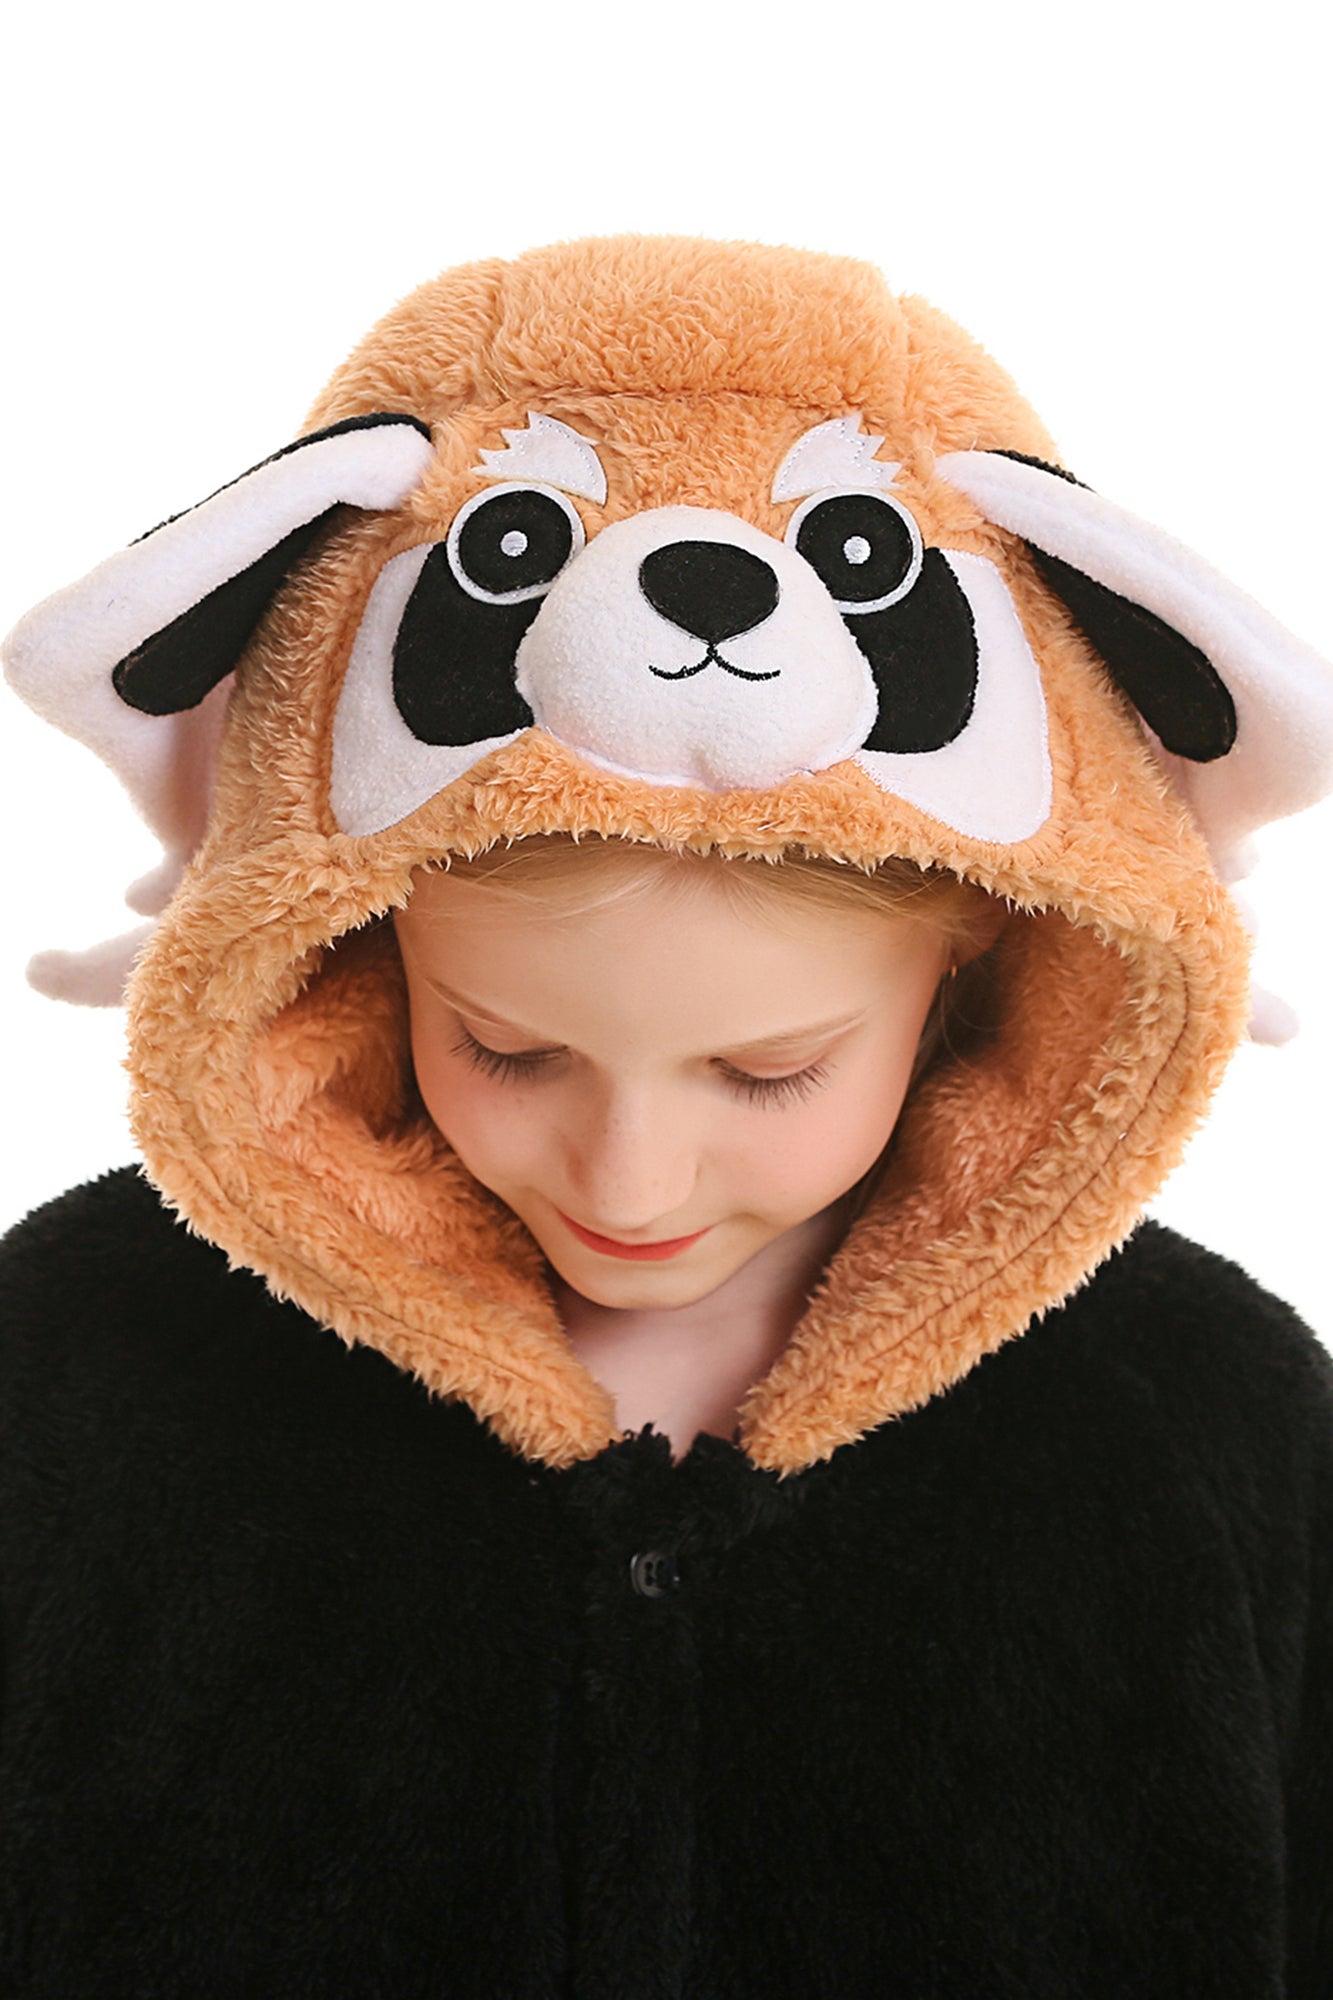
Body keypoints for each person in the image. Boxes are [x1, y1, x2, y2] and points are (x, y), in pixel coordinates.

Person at [1, 232, 1330, 1997]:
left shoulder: (1209, 1423)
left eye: (768, 1073)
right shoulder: (74, 1366)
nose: (628, 1180)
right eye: (506, 1049)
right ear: (348, 942)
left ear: (985, 961)